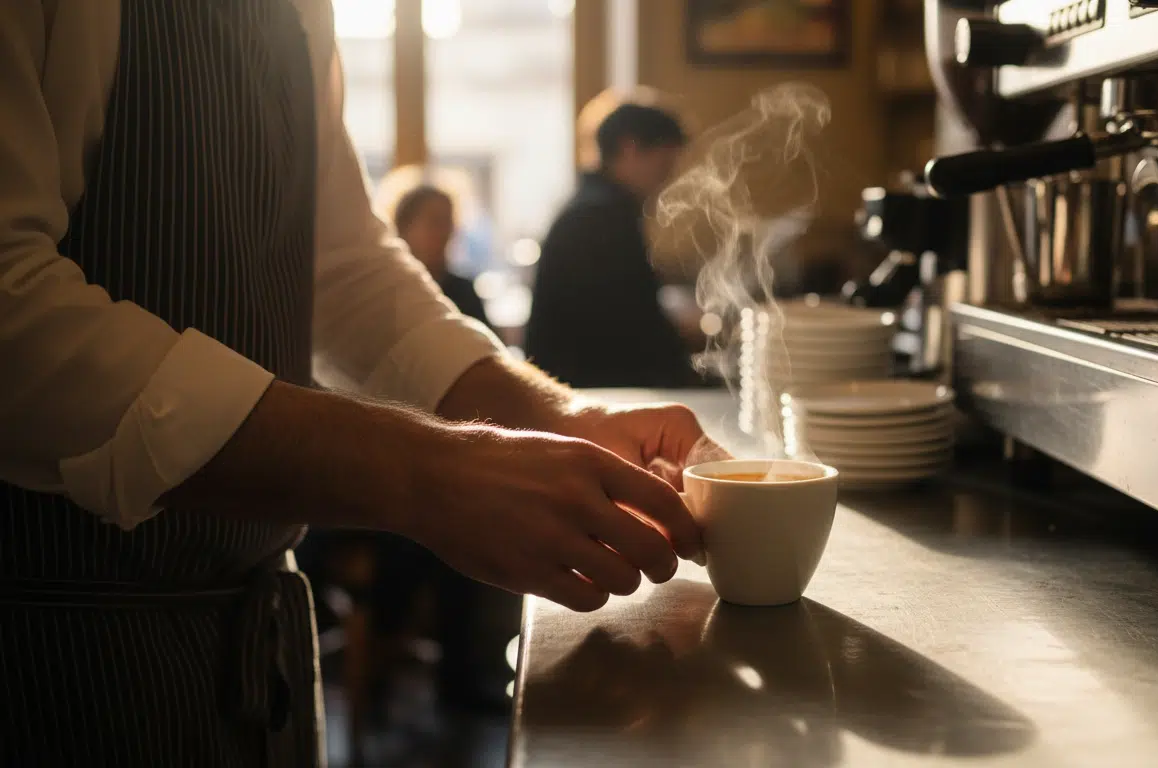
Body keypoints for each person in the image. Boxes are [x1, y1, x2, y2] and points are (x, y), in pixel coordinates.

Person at [0, 3, 723, 766]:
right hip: (48, 644)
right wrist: (428, 472)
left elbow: (340, 266)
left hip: (252, 633)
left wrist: (561, 418)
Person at [525, 103, 701, 389]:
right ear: (629, 148)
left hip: (574, 386)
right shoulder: (601, 217)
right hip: (586, 394)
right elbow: (635, 334)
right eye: (663, 164)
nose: (666, 179)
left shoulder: (592, 206)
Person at [392, 182, 492, 331]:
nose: (444, 232)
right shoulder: (390, 290)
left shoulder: (463, 291)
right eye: (435, 221)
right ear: (404, 227)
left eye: (448, 222)